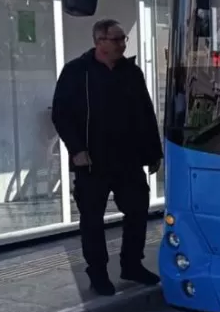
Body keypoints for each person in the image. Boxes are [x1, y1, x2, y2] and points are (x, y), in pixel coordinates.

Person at [52, 19, 164, 296]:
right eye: (116, 40)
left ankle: (131, 264)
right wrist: (76, 150)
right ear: (99, 41)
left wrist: (153, 152)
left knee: (138, 211)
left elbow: (145, 114)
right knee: (92, 219)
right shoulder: (77, 71)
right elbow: (61, 114)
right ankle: (98, 273)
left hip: (128, 158)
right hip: (91, 161)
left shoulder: (131, 72)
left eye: (123, 39)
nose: (122, 44)